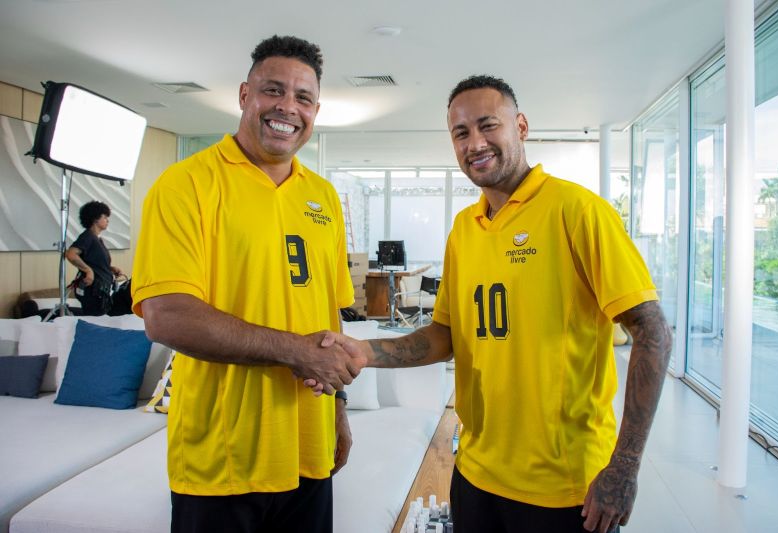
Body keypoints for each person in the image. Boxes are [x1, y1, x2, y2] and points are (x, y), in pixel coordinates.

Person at [321, 76, 672, 533]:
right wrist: (365, 352)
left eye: (488, 125)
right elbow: (445, 336)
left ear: (520, 126)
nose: (475, 143)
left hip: (566, 487)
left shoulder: (578, 211)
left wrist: (624, 466)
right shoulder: (464, 229)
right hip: (475, 475)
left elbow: (652, 331)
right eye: (461, 133)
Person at [131, 35, 365, 533]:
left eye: (303, 97)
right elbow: (166, 316)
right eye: (273, 90)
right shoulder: (185, 185)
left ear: (315, 111)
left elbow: (330, 317)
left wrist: (339, 411)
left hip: (307, 449)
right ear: (244, 95)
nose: (288, 107)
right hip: (222, 461)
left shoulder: (324, 196)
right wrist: (295, 351)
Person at [65, 200, 123, 315]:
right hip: (92, 291)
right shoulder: (88, 236)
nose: (107, 220)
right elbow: (71, 254)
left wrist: (111, 268)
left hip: (101, 291)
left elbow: (94, 262)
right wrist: (88, 271)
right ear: (95, 219)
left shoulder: (97, 239)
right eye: (104, 217)